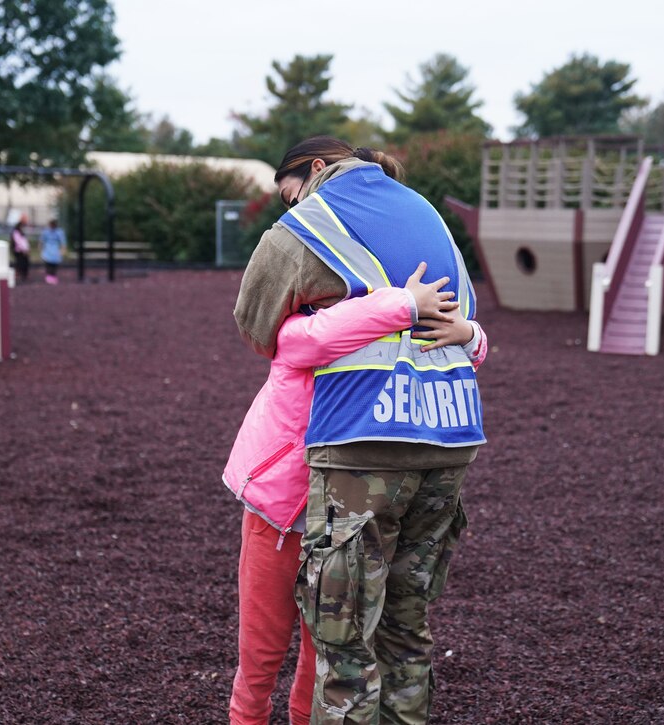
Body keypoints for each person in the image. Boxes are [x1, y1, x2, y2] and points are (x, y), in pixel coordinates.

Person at [234, 137, 486, 723]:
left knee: (340, 644)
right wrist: (467, 333)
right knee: (403, 630)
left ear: (317, 171)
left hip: (358, 450)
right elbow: (462, 328)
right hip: (448, 436)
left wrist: (394, 306)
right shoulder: (429, 219)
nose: (288, 208)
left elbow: (269, 329)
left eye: (289, 193)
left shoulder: (313, 225)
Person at [40, 219, 66, 285]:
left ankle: (53, 276)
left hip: (55, 250)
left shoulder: (59, 232)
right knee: (48, 264)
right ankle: (49, 277)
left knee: (54, 265)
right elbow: (42, 241)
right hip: (48, 250)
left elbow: (63, 242)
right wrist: (41, 249)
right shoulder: (46, 232)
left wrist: (62, 250)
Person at [10, 215, 30, 282]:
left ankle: (23, 275)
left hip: (22, 250)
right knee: (20, 263)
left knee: (23, 263)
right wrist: (24, 249)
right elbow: (18, 242)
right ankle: (19, 275)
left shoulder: (21, 233)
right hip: (19, 250)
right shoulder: (16, 232)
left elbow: (24, 241)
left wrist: (26, 248)